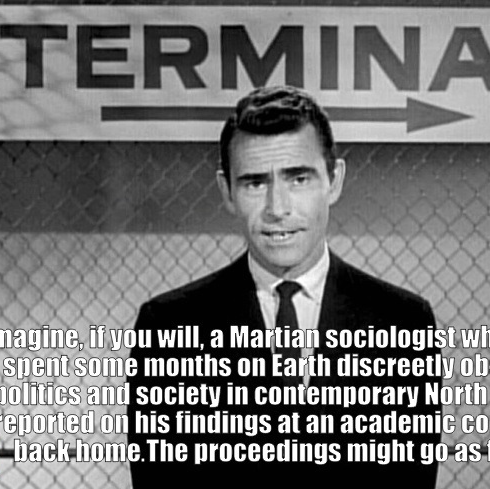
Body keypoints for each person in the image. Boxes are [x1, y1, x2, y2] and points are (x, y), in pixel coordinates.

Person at [127, 86, 441, 486]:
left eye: (298, 179)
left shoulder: (402, 321)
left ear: (334, 180)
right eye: (255, 184)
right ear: (227, 192)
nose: (278, 209)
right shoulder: (169, 325)